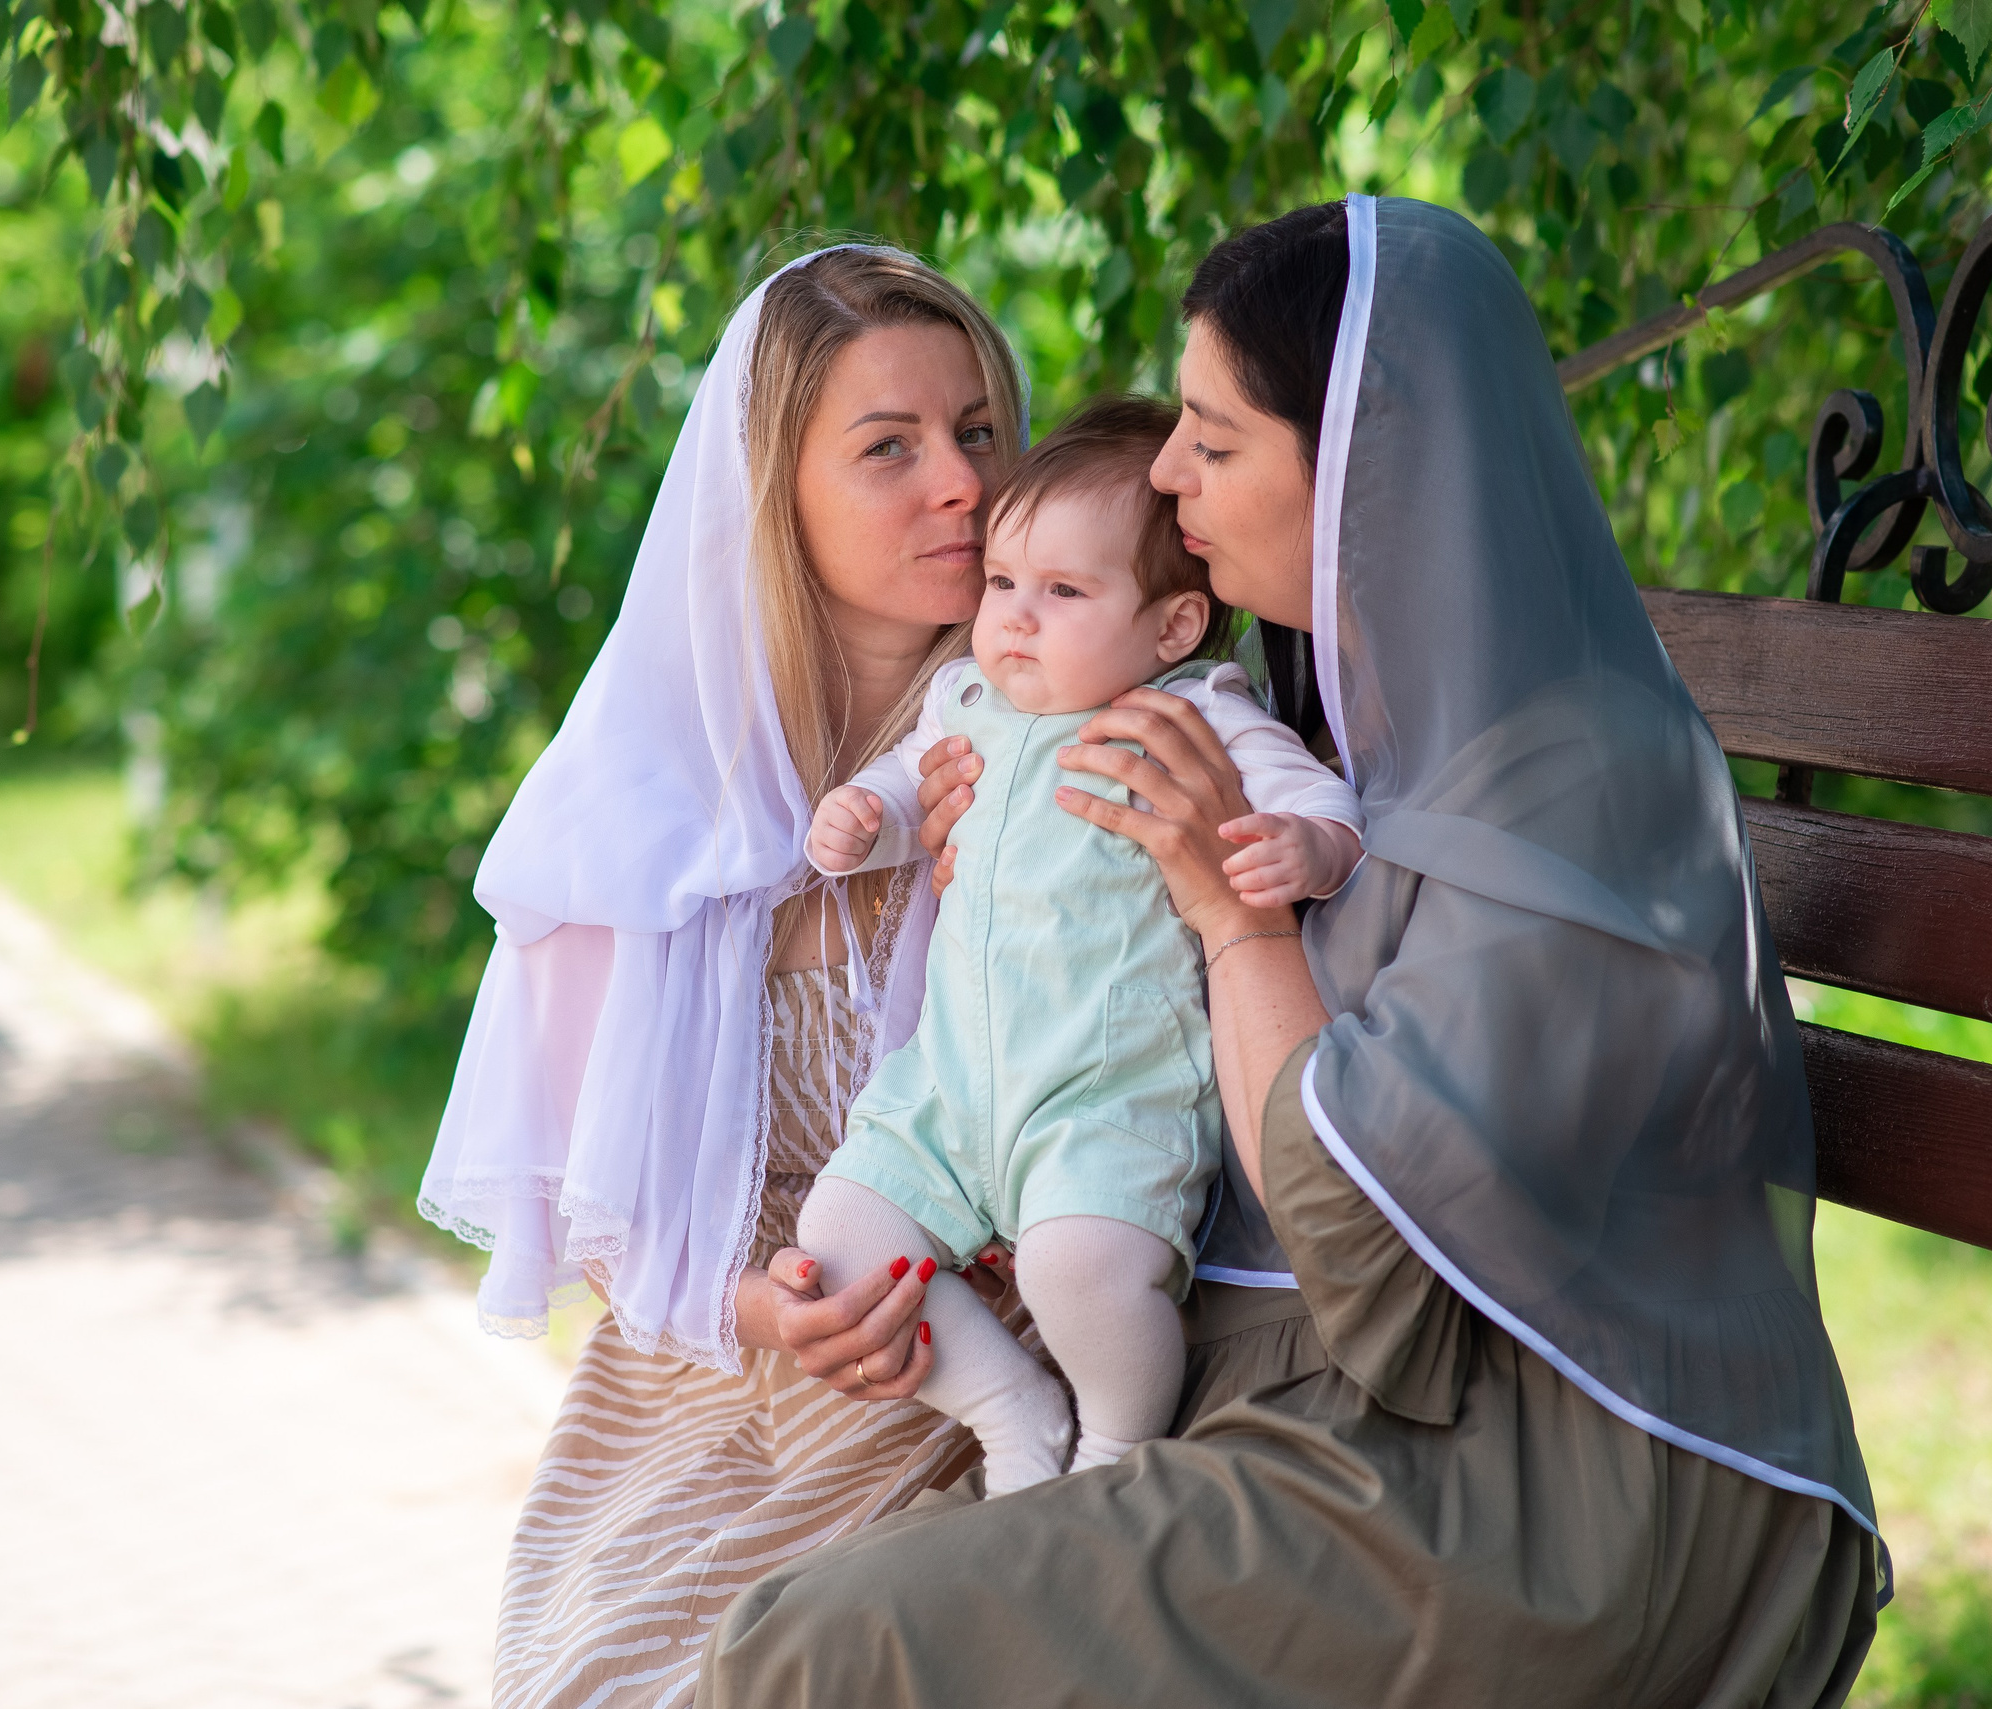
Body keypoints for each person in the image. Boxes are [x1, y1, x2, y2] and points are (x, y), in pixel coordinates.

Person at [696, 196, 1883, 1708]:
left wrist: (1232, 912)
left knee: (825, 1650)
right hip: (1325, 1388)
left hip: (1558, 1487)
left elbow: (1387, 1294)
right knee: (830, 1600)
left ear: (1363, 471)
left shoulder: (1573, 771)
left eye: (1214, 434)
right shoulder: (1357, 722)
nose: (1168, 472)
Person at [416, 244, 1034, 1709]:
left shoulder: (1048, 741)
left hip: (1000, 1396)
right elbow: (599, 1195)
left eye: (979, 432)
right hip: (710, 1397)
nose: (959, 481)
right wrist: (770, 1310)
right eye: (889, 447)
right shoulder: (643, 809)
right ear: (776, 490)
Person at [795, 398, 1365, 1494]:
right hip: (950, 1088)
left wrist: (1307, 846)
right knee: (841, 1236)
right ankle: (1011, 1406)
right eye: (1002, 582)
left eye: (1062, 591)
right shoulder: (966, 696)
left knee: (1083, 1267)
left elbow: (1321, 799)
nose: (1014, 616)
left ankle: (1111, 1443)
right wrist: (864, 817)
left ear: (1170, 627)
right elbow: (914, 791)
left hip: (1106, 1097)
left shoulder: (1193, 711)